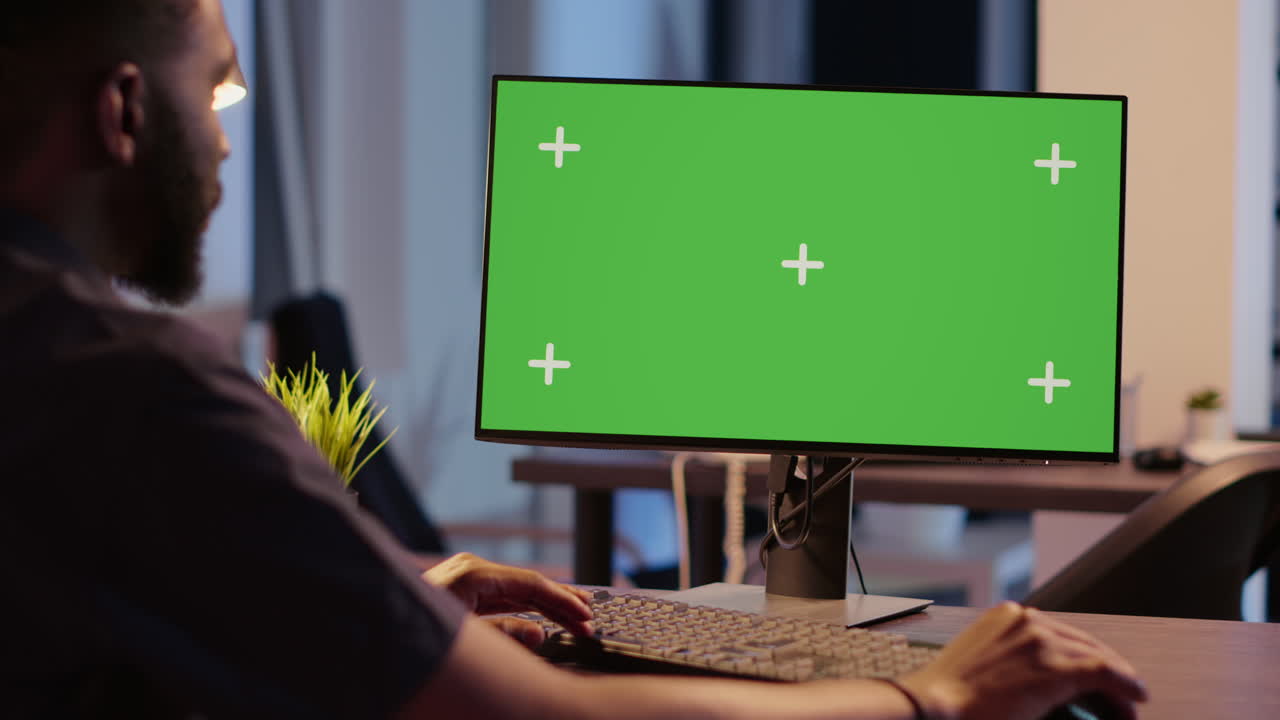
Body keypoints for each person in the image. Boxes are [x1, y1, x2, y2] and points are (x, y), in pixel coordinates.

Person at [0, 1, 1147, 718]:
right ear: (122, 111)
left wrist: (397, 594)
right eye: (214, 84)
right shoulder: (137, 394)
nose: (226, 130)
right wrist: (934, 695)